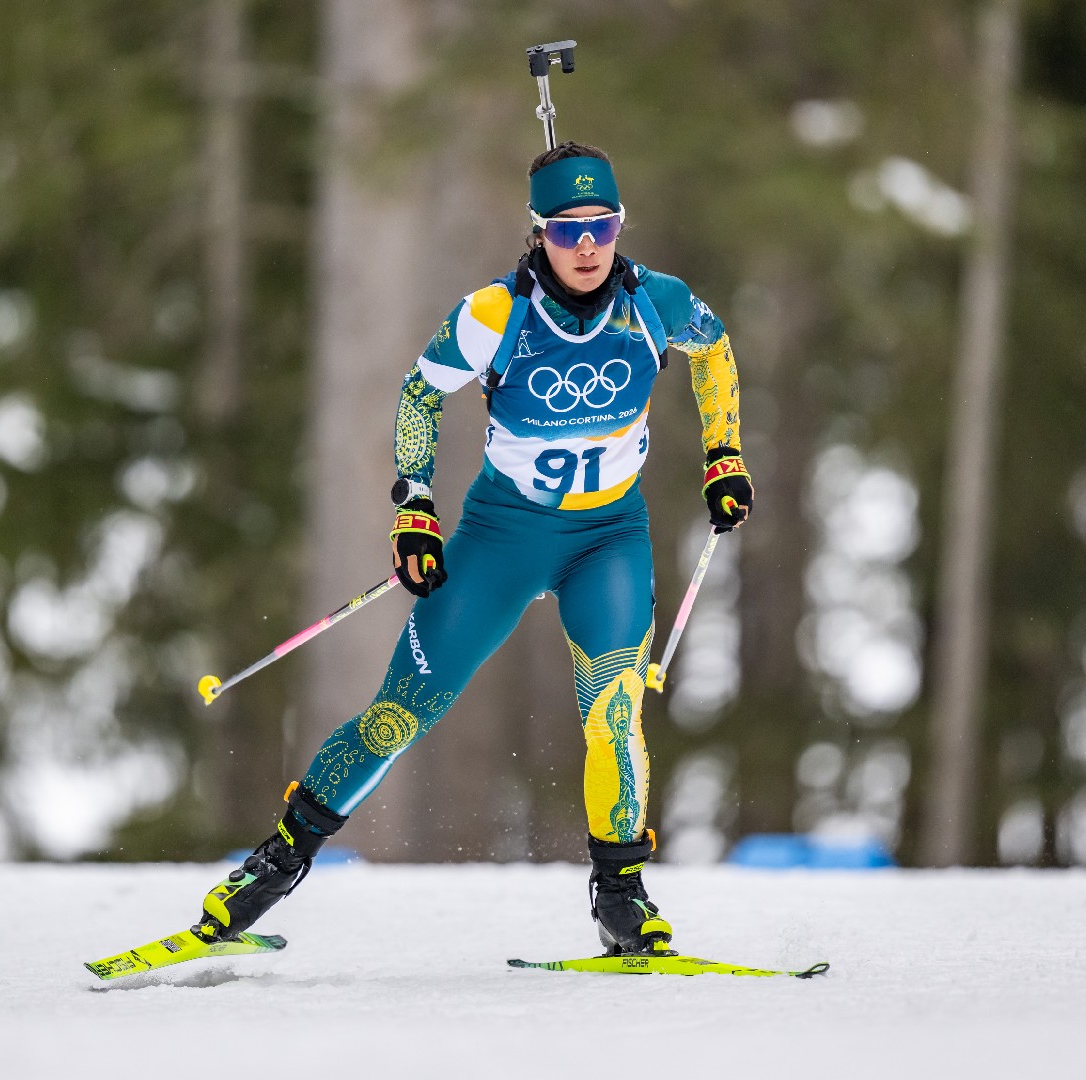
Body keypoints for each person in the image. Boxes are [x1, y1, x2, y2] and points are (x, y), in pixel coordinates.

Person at [190, 142, 753, 955]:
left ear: (620, 225)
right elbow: (420, 395)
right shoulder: (495, 313)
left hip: (609, 537)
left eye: (600, 226)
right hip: (503, 535)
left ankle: (622, 896)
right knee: (401, 714)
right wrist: (414, 509)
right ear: (538, 232)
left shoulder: (657, 303)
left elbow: (716, 350)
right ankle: (272, 868)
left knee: (614, 713)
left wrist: (723, 456)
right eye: (566, 230)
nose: (586, 246)